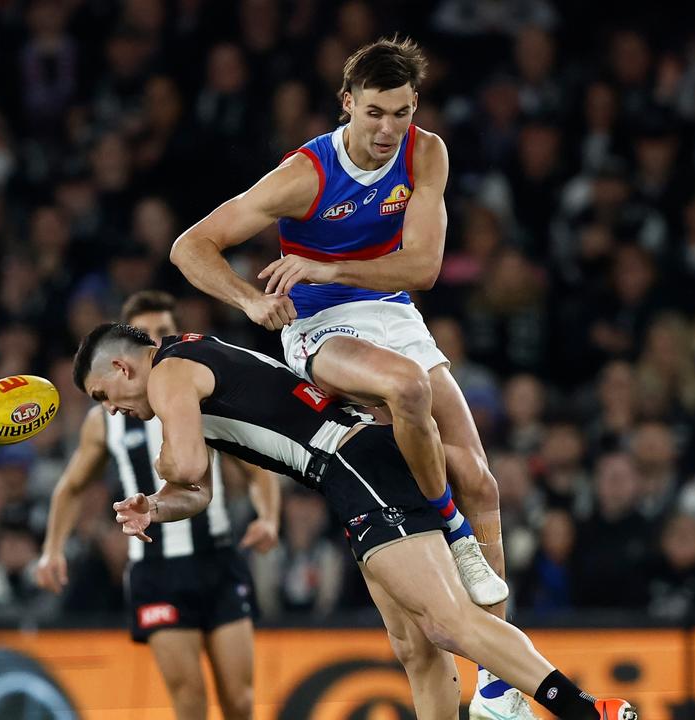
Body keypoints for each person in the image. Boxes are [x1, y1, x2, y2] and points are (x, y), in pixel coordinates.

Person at [168, 36, 515, 714]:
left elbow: (422, 269)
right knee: (407, 390)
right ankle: (449, 525)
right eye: (377, 113)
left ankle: (499, 686)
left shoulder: (427, 152)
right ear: (347, 104)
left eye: (403, 112)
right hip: (322, 328)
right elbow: (191, 245)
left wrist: (327, 266)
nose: (390, 130)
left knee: (482, 478)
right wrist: (248, 299)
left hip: (391, 310)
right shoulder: (305, 176)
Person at [75, 322, 637, 720]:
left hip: (351, 464)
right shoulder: (187, 358)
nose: (111, 409)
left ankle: (583, 710)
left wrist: (162, 464)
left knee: (444, 622)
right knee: (416, 648)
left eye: (105, 394)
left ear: (124, 366)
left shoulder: (168, 374)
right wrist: (156, 504)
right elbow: (194, 491)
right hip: (359, 464)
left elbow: (188, 464)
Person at [37, 291, 280, 720]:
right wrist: (52, 548)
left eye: (162, 332)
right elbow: (71, 486)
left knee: (241, 702)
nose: (156, 342)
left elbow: (255, 464)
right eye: (146, 333)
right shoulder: (104, 420)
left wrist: (269, 515)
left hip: (219, 557)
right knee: (189, 703)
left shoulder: (199, 393)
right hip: (156, 569)